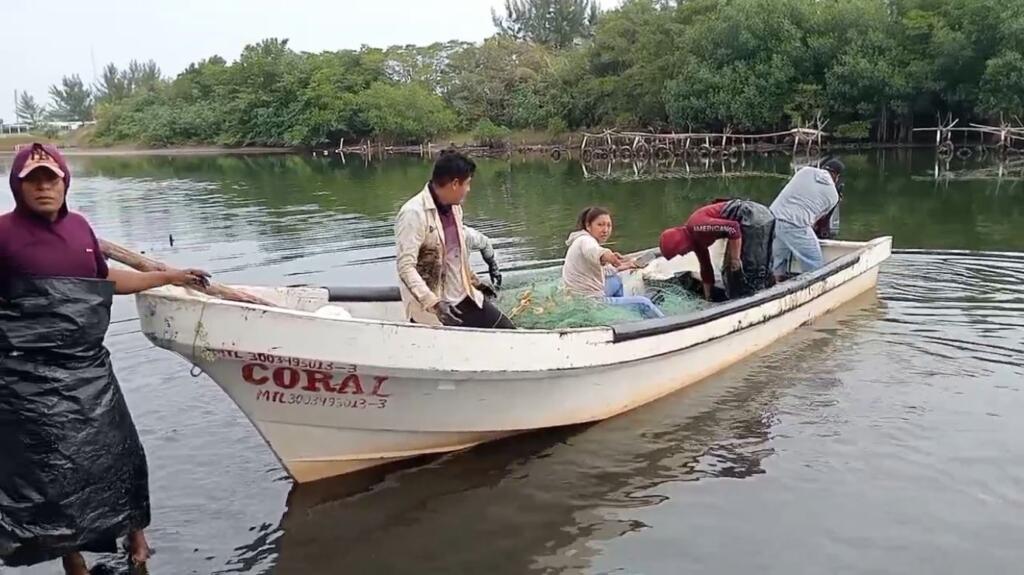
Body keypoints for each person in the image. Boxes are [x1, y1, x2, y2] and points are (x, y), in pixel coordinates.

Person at [0, 144, 209, 575]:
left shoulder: (80, 228)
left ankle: (136, 536)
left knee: (119, 453)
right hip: (27, 380)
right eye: (32, 180)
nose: (43, 187)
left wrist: (168, 276)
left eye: (51, 178)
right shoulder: (2, 234)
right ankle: (72, 559)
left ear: (64, 182)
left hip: (89, 370)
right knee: (52, 473)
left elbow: (106, 279)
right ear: (17, 186)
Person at [395, 150, 514, 328]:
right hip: (434, 308)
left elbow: (454, 256)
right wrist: (434, 304)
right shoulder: (413, 214)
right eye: (467, 184)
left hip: (463, 297)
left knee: (508, 330)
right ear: (454, 184)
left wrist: (475, 282)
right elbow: (405, 267)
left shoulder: (455, 208)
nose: (468, 189)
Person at [658, 198, 776, 300]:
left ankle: (761, 300)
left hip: (753, 217)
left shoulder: (697, 226)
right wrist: (708, 297)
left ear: (680, 242)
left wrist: (735, 259)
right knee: (730, 273)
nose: (682, 254)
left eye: (679, 252)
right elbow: (706, 268)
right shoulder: (696, 242)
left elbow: (733, 229)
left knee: (751, 270)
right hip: (744, 223)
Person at [562, 206, 665, 319]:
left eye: (608, 225)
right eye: (600, 225)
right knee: (643, 302)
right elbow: (594, 252)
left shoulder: (580, 239)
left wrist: (628, 264)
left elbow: (605, 271)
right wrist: (607, 255)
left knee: (615, 279)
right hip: (590, 302)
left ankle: (623, 311)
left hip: (575, 296)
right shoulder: (586, 241)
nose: (605, 230)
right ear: (588, 226)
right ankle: (666, 325)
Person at [770, 157, 844, 280]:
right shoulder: (833, 196)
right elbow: (816, 220)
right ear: (836, 176)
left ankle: (775, 285)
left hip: (773, 218)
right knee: (815, 265)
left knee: (777, 262)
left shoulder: (805, 171)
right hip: (796, 224)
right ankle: (813, 291)